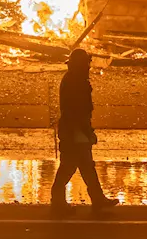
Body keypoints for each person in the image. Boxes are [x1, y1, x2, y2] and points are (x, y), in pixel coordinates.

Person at [50, 48, 118, 213]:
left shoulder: (74, 80)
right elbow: (77, 111)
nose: (88, 67)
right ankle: (58, 199)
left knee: (86, 165)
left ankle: (97, 198)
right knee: (70, 166)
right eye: (86, 64)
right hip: (74, 131)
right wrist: (86, 132)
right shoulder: (76, 82)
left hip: (74, 129)